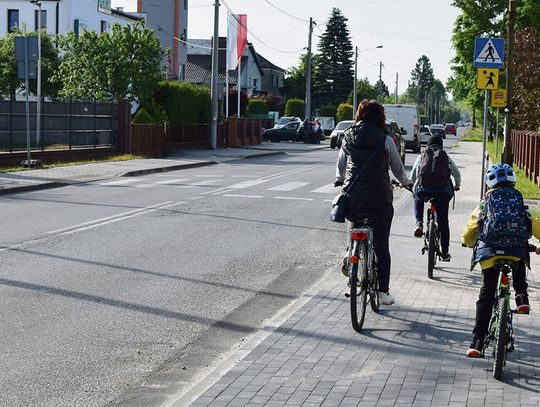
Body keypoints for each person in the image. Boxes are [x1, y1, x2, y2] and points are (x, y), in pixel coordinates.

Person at [334, 99, 410, 305]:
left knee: (353, 217)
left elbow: (341, 164)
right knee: (381, 246)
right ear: (380, 117)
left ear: (360, 114)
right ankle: (383, 292)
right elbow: (397, 166)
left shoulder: (348, 135)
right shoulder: (385, 139)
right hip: (380, 198)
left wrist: (340, 179)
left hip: (354, 197)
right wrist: (406, 182)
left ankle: (351, 252)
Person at [462, 163, 540, 358]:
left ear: (489, 184)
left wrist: (468, 242)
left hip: (490, 255)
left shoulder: (483, 203)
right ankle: (521, 296)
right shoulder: (519, 202)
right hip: (515, 252)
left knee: (486, 295)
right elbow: (534, 224)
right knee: (519, 257)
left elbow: (471, 230)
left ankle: (477, 343)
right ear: (512, 181)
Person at [410, 135, 461, 261]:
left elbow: (413, 176)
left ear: (427, 146)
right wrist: (457, 185)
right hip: (443, 191)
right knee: (443, 221)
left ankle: (419, 223)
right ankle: (445, 252)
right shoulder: (446, 157)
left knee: (418, 197)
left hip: (424, 189)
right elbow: (457, 174)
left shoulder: (422, 157)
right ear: (441, 146)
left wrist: (413, 187)